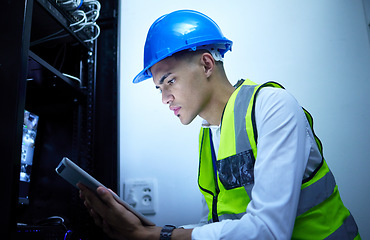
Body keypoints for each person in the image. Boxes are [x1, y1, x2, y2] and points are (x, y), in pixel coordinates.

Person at [78, 9, 361, 239]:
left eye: (170, 81)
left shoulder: (273, 106)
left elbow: (269, 231)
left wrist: (154, 236)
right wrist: (152, 230)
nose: (165, 98)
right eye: (159, 88)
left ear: (206, 65)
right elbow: (218, 225)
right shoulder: (209, 134)